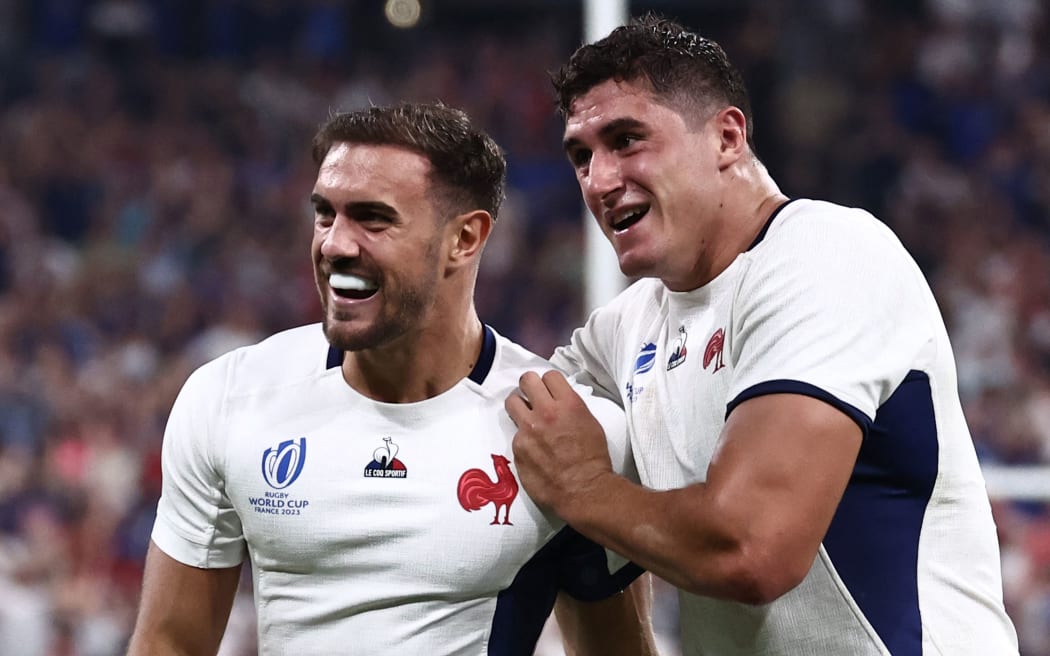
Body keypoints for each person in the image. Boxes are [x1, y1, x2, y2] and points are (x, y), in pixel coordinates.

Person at [505, 14, 1020, 656]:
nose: (599, 179)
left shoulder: (826, 255)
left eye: (627, 139)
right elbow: (502, 413)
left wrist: (581, 487)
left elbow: (752, 547)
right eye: (581, 155)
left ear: (727, 136)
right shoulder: (627, 325)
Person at [126, 102, 657, 656]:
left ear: (465, 239)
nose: (334, 244)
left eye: (372, 218)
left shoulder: (568, 430)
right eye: (325, 213)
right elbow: (169, 643)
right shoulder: (231, 397)